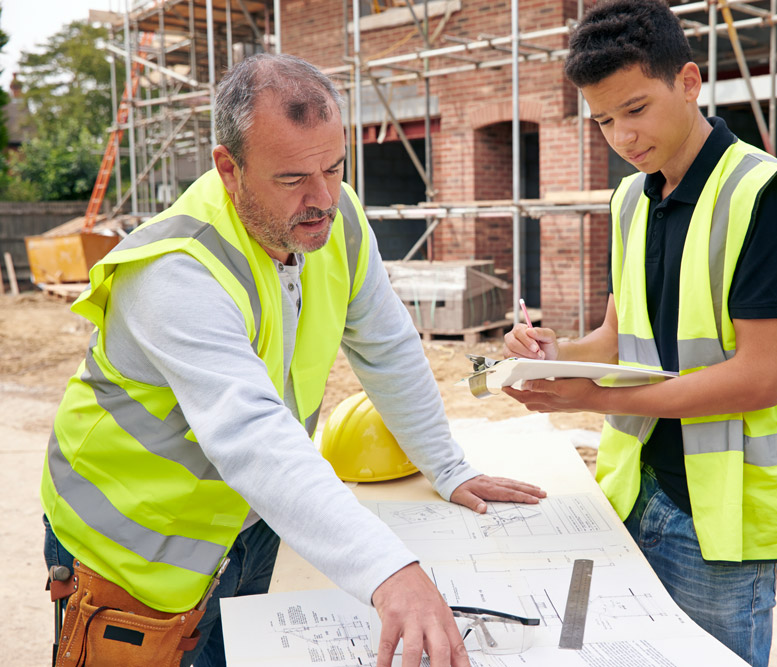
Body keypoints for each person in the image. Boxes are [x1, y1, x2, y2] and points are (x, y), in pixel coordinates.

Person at [41, 53, 545, 667]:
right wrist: (390, 572)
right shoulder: (174, 271)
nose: (323, 199)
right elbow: (252, 434)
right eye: (292, 179)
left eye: (335, 168)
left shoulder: (339, 219)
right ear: (229, 169)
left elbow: (388, 347)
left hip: (252, 524)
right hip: (132, 553)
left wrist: (447, 466)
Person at [502, 1, 777, 665]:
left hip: (720, 521)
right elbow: (620, 339)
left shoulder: (765, 196)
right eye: (603, 120)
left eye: (636, 108)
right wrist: (556, 357)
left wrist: (591, 399)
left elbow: (758, 378)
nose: (622, 135)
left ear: (688, 81)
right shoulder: (630, 200)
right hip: (632, 491)